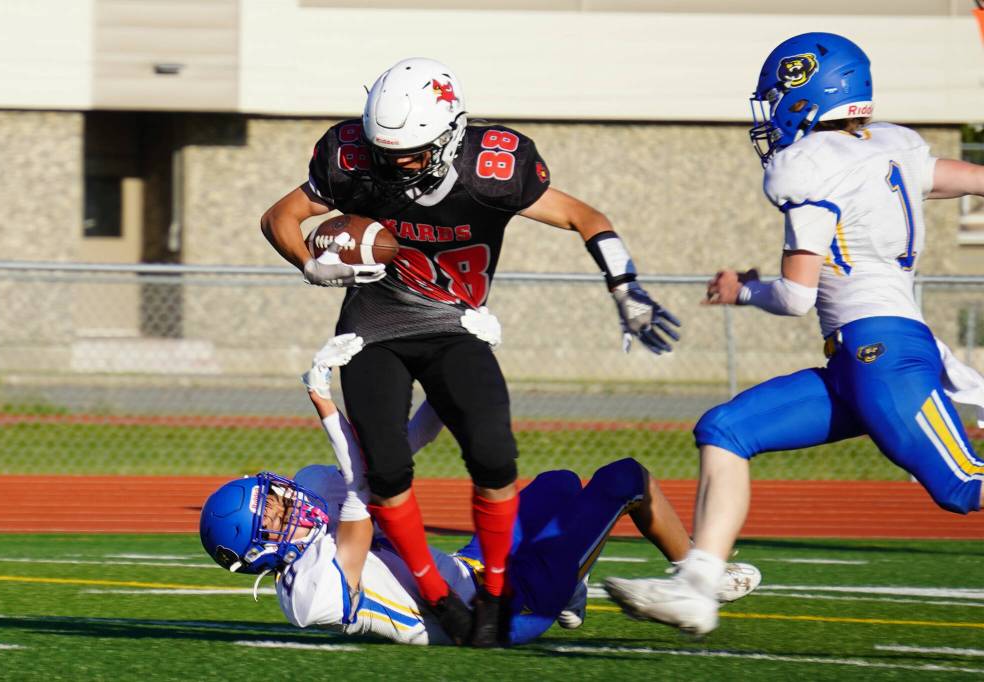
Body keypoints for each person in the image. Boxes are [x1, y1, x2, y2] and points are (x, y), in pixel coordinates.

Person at [259, 57, 681, 645]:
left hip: (455, 325)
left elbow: (586, 217)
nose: (397, 162)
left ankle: (496, 588)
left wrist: (625, 288)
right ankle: (437, 594)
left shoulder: (494, 165)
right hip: (372, 327)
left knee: (493, 453)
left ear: (452, 130)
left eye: (411, 150)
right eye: (387, 151)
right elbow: (280, 216)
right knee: (384, 467)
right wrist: (308, 263)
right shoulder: (351, 155)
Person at [602, 32, 984, 637]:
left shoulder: (809, 165)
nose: (771, 111)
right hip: (858, 362)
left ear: (810, 92)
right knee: (725, 429)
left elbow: (798, 296)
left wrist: (744, 291)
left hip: (882, 353)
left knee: (964, 485)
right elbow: (969, 177)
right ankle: (697, 587)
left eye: (779, 94)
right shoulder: (892, 148)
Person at [198, 335, 760, 646]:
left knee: (557, 483)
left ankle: (573, 589)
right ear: (257, 552)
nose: (288, 503)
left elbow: (388, 456)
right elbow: (361, 484)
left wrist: (450, 375)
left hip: (469, 571)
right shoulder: (308, 592)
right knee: (626, 476)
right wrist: (321, 399)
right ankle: (700, 575)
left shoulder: (314, 499)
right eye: (271, 514)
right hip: (501, 614)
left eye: (274, 495)